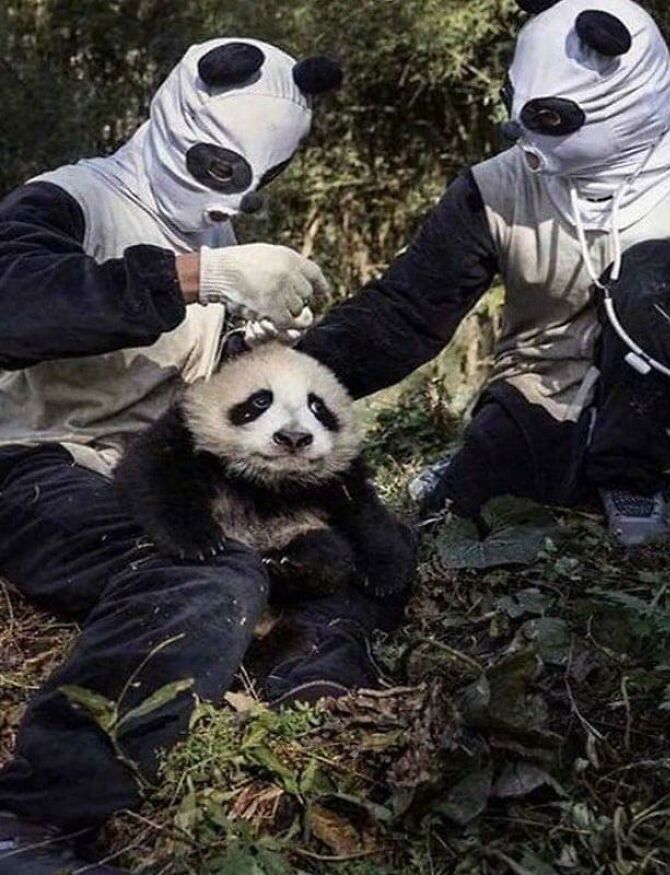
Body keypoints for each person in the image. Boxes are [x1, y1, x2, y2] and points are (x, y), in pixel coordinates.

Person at [0, 39, 391, 874]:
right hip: (35, 463)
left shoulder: (217, 228)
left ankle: (312, 686)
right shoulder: (70, 200)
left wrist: (261, 340)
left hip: (149, 462)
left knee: (341, 542)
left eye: (251, 176)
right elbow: (14, 306)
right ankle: (38, 813)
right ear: (180, 112)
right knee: (208, 571)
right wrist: (193, 275)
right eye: (216, 164)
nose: (228, 192)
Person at [299, 0, 670, 547]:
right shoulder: (496, 186)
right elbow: (406, 312)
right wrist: (292, 377)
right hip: (546, 388)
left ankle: (635, 481)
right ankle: (486, 460)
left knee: (660, 276)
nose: (520, 133)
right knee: (471, 503)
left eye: (547, 118)